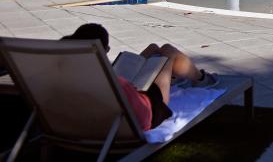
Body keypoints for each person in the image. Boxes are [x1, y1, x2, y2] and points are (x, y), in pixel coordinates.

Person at [61, 23, 218, 131]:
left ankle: (178, 78)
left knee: (153, 49)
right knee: (168, 53)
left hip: (119, 98)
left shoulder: (70, 74)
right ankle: (202, 79)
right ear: (106, 48)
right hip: (148, 110)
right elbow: (127, 95)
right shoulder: (101, 76)